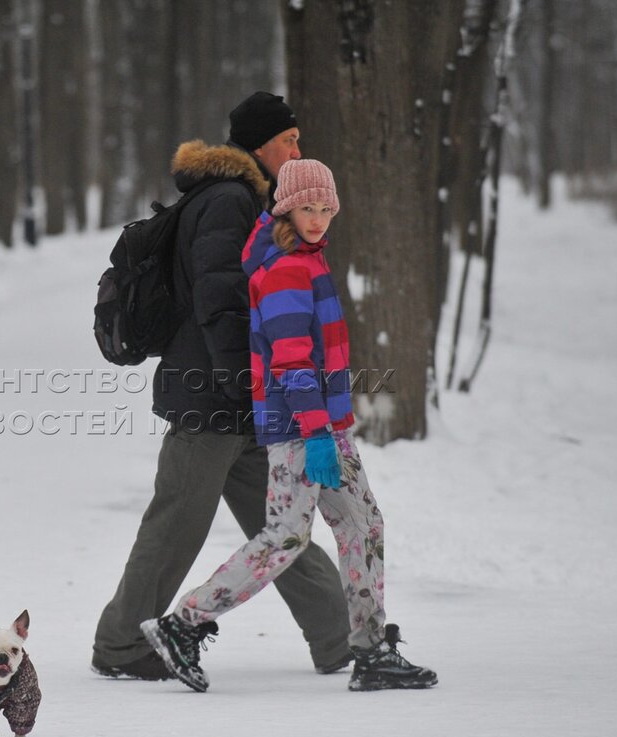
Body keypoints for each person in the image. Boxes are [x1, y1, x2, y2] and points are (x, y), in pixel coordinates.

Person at [140, 159, 438, 693]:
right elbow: (292, 362)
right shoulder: (285, 271)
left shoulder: (307, 260)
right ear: (286, 210)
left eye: (326, 208)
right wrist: (317, 432)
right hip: (302, 429)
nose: (318, 218)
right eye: (307, 208)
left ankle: (371, 650)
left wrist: (329, 429)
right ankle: (183, 623)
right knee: (286, 537)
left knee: (364, 526)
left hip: (326, 427)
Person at [91, 93, 352, 681]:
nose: (297, 150)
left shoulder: (246, 198)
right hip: (213, 397)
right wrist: (243, 386)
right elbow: (222, 302)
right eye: (288, 140)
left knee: (284, 525)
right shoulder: (229, 201)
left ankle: (342, 636)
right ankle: (121, 645)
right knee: (177, 526)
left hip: (242, 401)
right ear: (260, 145)